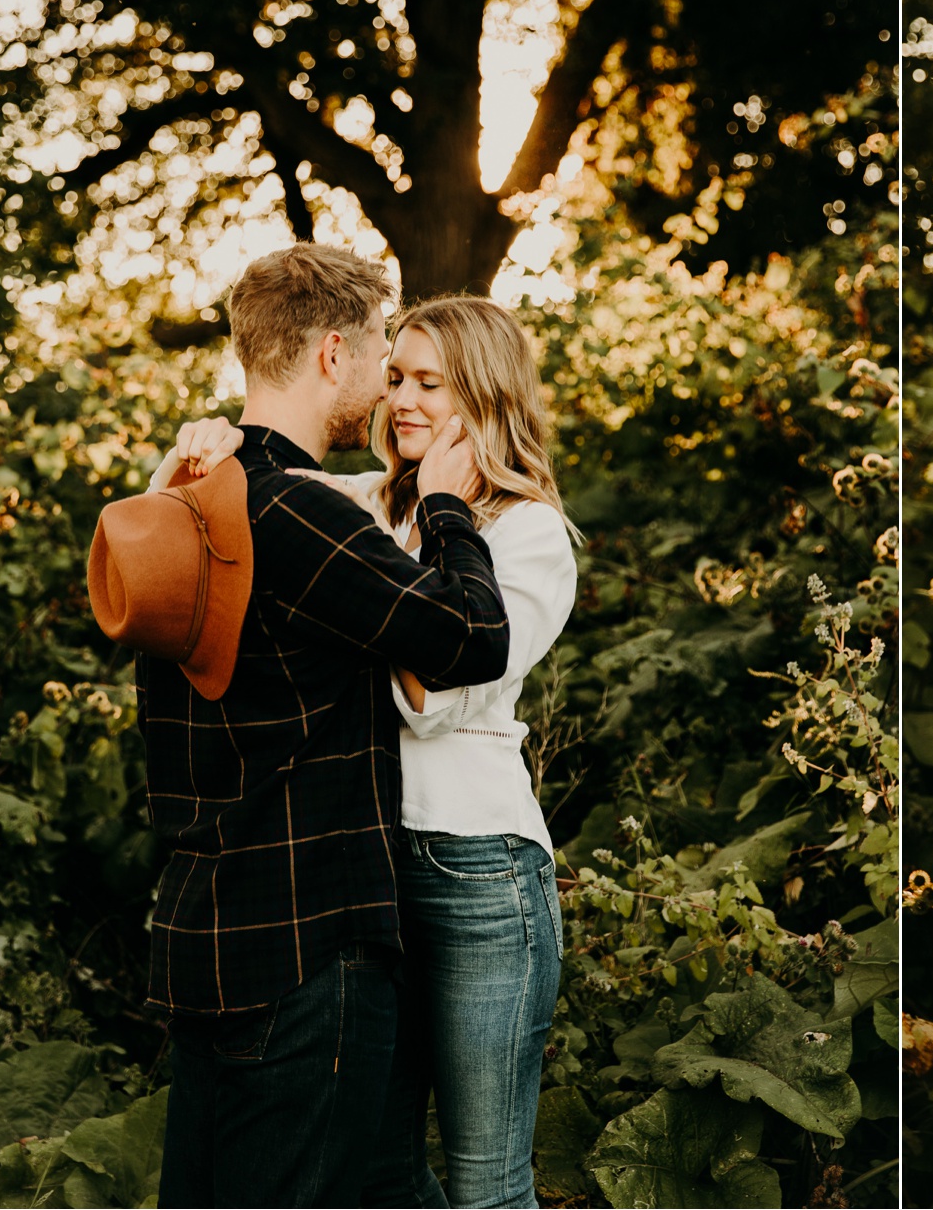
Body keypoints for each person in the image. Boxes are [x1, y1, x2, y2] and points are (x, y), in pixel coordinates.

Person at [157, 295, 579, 1209]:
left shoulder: (530, 534)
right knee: (380, 1166)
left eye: (433, 382)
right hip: (369, 874)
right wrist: (213, 440)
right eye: (396, 378)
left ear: (486, 396)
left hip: (477, 873)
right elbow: (263, 501)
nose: (405, 402)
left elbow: (436, 695)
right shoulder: (360, 503)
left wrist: (433, 519)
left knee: (486, 1181)